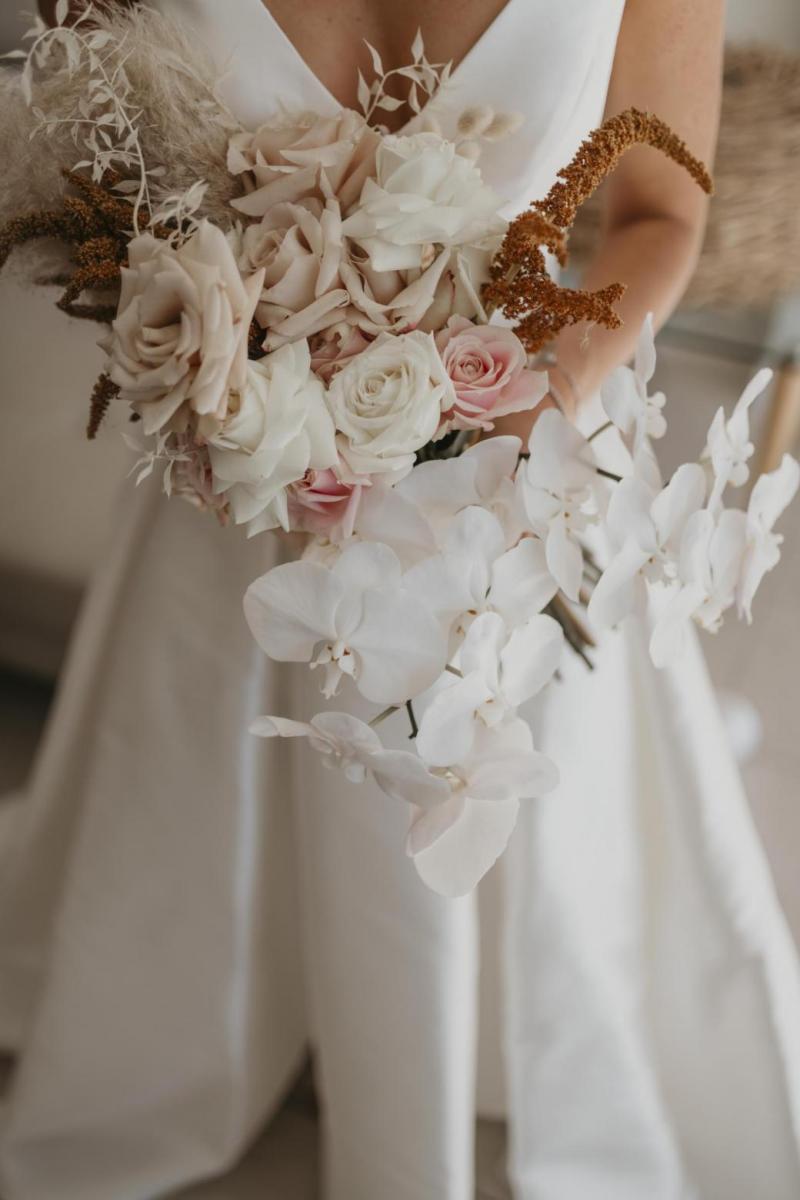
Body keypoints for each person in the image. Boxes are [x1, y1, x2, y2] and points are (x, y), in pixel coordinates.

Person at [1, 2, 799, 1198]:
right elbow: (92, 162)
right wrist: (218, 351)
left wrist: (542, 390)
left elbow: (659, 210)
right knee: (187, 846)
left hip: (505, 497)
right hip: (238, 484)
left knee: (490, 821)